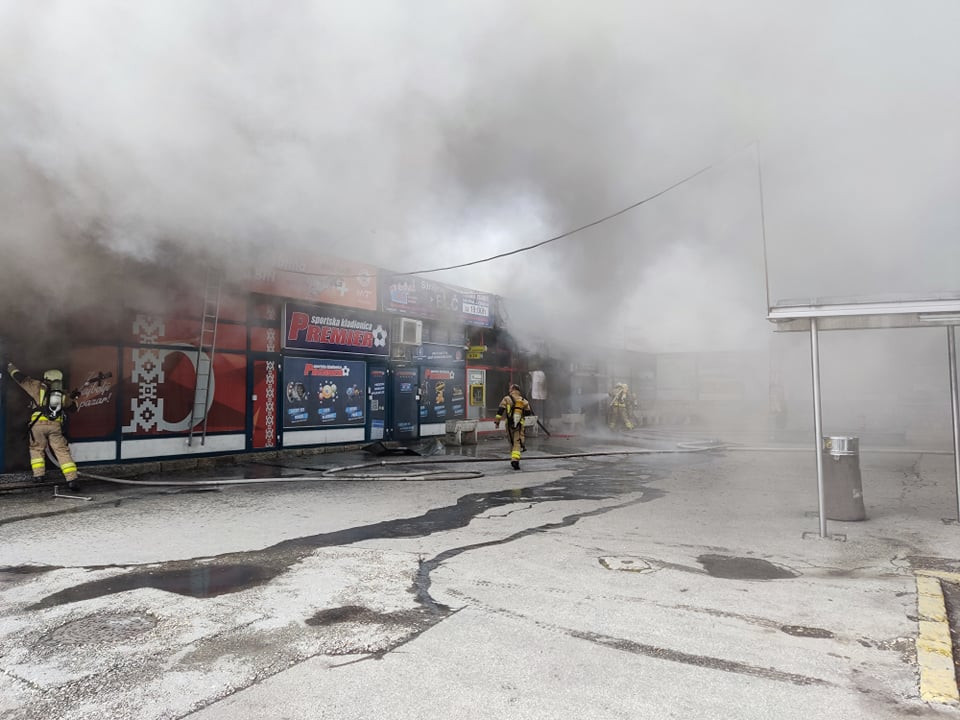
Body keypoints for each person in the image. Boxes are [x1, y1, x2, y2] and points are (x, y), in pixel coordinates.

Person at [5, 362, 81, 489]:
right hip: (54, 426)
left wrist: (9, 366)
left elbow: (19, 377)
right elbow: (73, 408)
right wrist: (74, 398)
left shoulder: (36, 386)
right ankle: (72, 479)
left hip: (37, 425)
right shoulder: (61, 393)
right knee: (61, 451)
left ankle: (38, 476)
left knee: (36, 449)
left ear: (46, 378)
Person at [494, 383, 533, 470]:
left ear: (512, 389)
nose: (509, 390)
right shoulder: (524, 401)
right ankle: (515, 460)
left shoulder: (507, 399)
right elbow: (528, 413)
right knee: (517, 442)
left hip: (509, 424)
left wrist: (497, 422)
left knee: (511, 441)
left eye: (510, 388)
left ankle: (514, 458)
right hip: (519, 425)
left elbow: (500, 410)